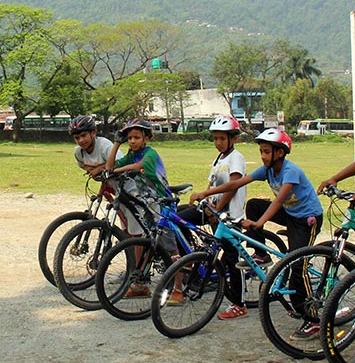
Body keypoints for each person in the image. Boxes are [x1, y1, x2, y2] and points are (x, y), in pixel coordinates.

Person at [192, 128, 324, 339]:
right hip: (290, 214)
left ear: (279, 153)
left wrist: (258, 223)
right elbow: (236, 183)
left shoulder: (290, 171)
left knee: (298, 267)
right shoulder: (268, 169)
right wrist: (206, 193)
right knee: (254, 205)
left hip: (306, 220)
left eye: (266, 152)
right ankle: (261, 254)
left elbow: (279, 200)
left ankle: (313, 320)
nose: (262, 156)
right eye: (261, 151)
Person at [179, 116, 249, 319]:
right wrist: (207, 204)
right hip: (215, 211)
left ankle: (240, 304)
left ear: (233, 138)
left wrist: (216, 207)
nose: (218, 142)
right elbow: (212, 186)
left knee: (233, 260)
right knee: (180, 219)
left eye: (222, 138)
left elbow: (233, 186)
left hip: (230, 217)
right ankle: (193, 259)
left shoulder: (236, 158)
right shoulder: (218, 159)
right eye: (215, 138)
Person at [105, 118, 172, 298]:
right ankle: (140, 283)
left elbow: (137, 167)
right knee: (145, 239)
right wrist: (117, 143)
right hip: (147, 203)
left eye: (136, 137)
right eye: (129, 138)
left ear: (146, 139)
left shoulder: (150, 154)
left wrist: (115, 172)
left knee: (169, 248)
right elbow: (109, 166)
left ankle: (179, 289)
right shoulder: (130, 154)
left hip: (161, 203)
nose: (132, 141)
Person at [69, 115, 113, 179]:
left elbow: (121, 162)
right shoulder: (79, 152)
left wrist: (99, 169)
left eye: (83, 135)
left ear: (93, 133)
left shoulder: (105, 146)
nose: (81, 140)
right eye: (76, 138)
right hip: (108, 183)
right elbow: (82, 165)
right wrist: (91, 170)